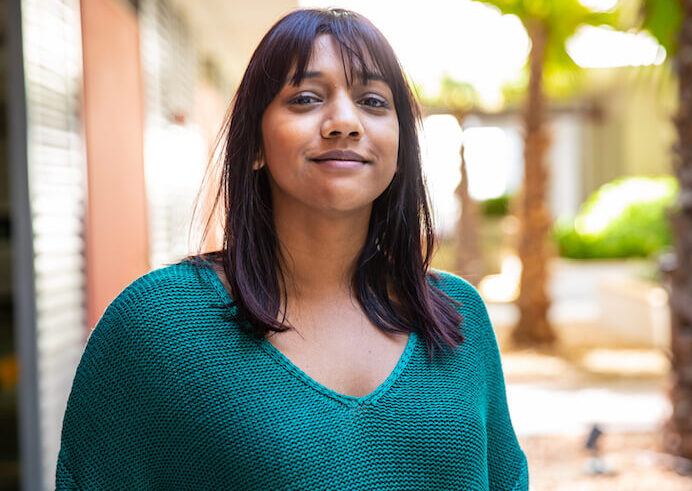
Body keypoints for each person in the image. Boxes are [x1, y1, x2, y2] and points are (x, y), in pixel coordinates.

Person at [56, 8, 528, 490]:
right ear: (256, 143)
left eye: (372, 100)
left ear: (402, 147)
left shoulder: (456, 318)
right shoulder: (158, 324)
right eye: (305, 98)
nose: (344, 122)